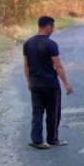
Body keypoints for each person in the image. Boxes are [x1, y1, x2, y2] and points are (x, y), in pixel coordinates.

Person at [23, 16, 74, 150]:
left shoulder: (28, 43)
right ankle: (52, 139)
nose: (53, 30)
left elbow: (26, 66)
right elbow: (58, 66)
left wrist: (29, 82)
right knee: (53, 113)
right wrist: (66, 83)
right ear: (48, 27)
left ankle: (37, 140)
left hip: (35, 83)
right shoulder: (51, 44)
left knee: (37, 112)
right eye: (52, 27)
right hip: (50, 84)